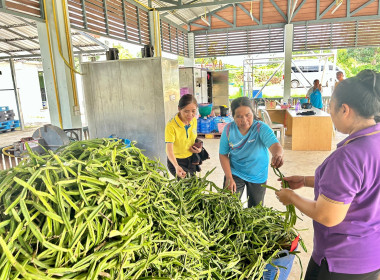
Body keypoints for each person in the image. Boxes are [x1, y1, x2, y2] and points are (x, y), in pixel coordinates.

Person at [276, 69, 380, 280]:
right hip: (372, 257)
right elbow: (360, 185)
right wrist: (305, 181)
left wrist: (291, 197)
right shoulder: (374, 140)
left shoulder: (348, 157)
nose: (330, 113)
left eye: (330, 107)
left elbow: (328, 215)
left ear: (345, 110)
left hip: (340, 263)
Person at [219, 97, 284, 207]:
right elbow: (223, 154)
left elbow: (275, 145)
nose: (244, 120)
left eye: (248, 115)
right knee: (228, 207)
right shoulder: (229, 130)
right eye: (239, 116)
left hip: (257, 174)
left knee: (255, 210)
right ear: (233, 116)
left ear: (253, 113)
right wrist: (229, 177)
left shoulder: (260, 128)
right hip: (235, 172)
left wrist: (277, 155)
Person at [165, 94, 202, 178]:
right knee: (187, 185)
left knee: (192, 185)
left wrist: (199, 149)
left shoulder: (194, 121)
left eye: (193, 111)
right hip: (177, 161)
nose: (190, 115)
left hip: (191, 160)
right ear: (179, 109)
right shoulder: (171, 126)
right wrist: (176, 166)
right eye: (186, 111)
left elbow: (193, 139)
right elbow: (169, 150)